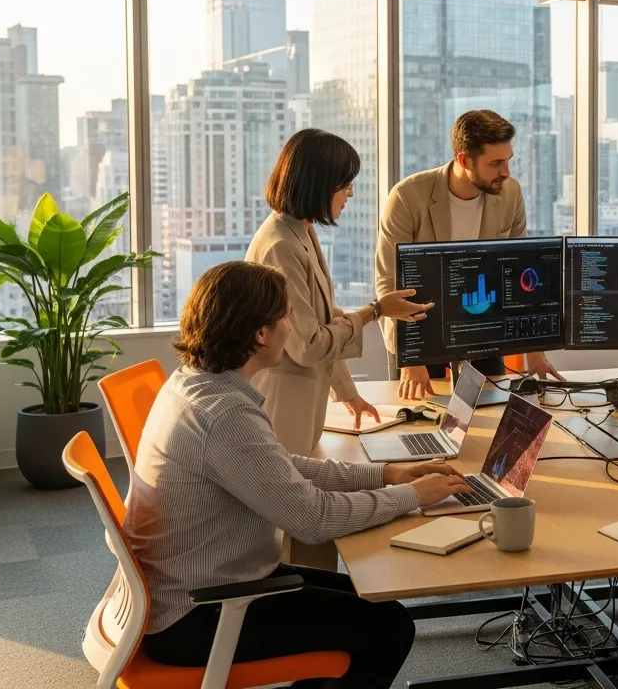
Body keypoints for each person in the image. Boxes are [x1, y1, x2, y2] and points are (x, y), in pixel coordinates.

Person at [130, 260, 471, 689]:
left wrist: (386, 474)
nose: (292, 327)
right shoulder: (225, 414)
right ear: (260, 334)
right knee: (390, 628)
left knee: (371, 599)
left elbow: (281, 467)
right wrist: (415, 496)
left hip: (204, 585)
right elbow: (314, 520)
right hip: (200, 611)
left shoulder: (196, 383)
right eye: (287, 316)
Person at [247, 128, 433, 456]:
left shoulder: (300, 231)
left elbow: (322, 319)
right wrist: (374, 312)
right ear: (319, 185)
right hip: (284, 405)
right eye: (345, 185)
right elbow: (309, 344)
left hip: (303, 403)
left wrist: (348, 394)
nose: (350, 193)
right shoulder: (281, 245)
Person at [376, 109, 563, 400]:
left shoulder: (510, 193)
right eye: (496, 163)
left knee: (490, 415)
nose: (506, 172)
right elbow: (389, 283)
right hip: (419, 329)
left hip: (483, 324)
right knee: (420, 417)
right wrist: (412, 355)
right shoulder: (407, 197)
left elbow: (519, 273)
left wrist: (533, 348)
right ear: (464, 160)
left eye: (508, 161)